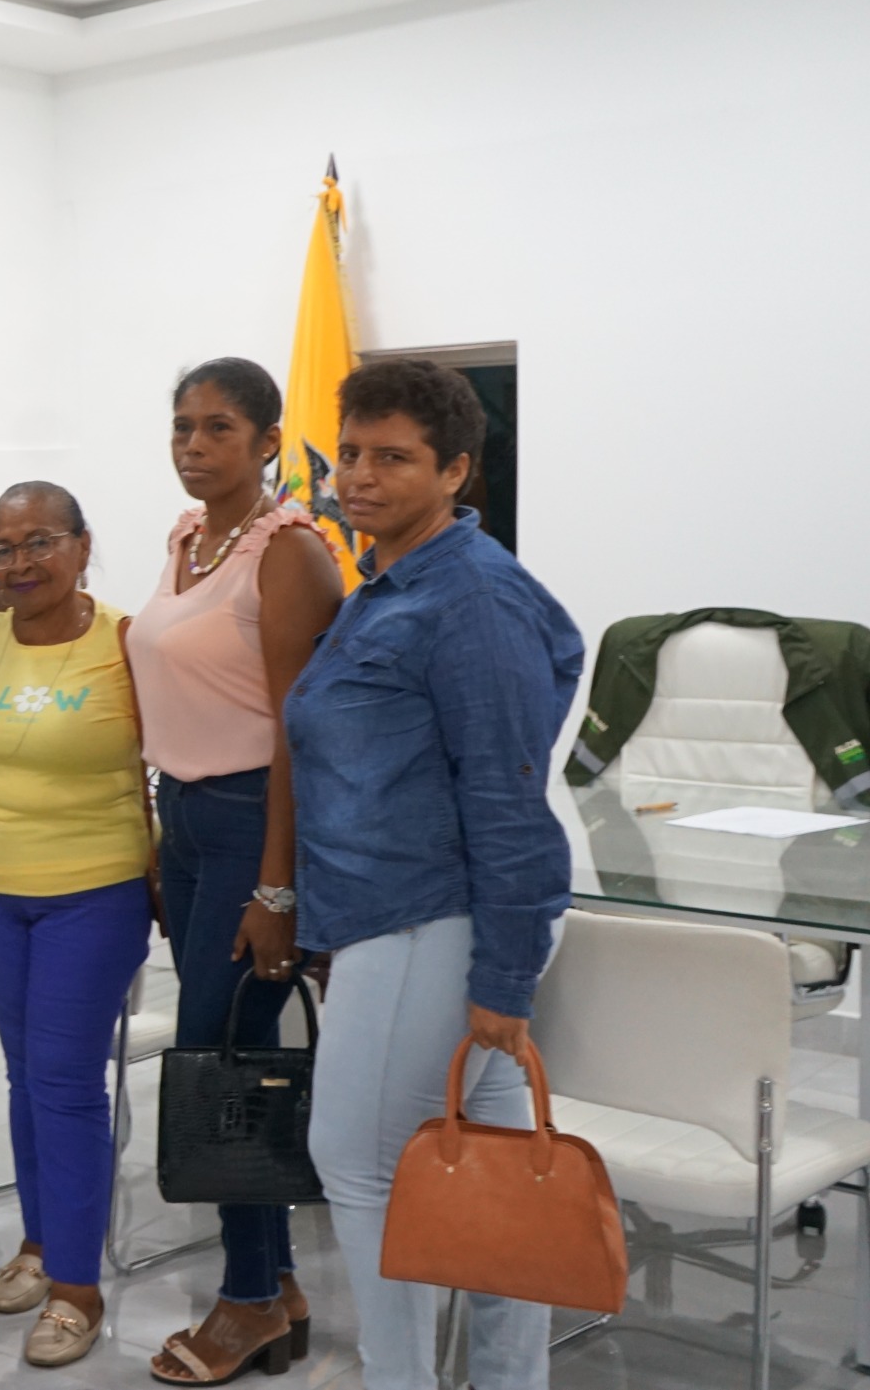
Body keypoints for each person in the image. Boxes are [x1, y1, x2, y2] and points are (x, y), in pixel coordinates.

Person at [289, 358, 581, 1390]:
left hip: (430, 918)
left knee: (360, 1165)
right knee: (495, 1183)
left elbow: (507, 800)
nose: (360, 477)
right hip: (396, 915)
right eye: (350, 454)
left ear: (454, 470)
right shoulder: (389, 581)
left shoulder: (471, 597)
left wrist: (503, 977)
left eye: (394, 458)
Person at [130, 359, 343, 1385]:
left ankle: (248, 1297)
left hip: (255, 819)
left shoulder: (289, 551)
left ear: (266, 442)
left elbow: (304, 735)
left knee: (217, 1063)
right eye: (182, 426)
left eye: (218, 428)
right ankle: (279, 1282)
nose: (193, 445)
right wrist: (160, 832)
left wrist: (277, 887)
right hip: (186, 818)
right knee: (230, 1052)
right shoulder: (186, 538)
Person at [0, 482, 151, 1368]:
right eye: (4, 547)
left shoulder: (125, 641)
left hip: (92, 887)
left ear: (82, 546)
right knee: (25, 1074)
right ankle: (41, 1242)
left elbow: (175, 755)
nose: (20, 562)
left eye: (40, 542)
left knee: (64, 1081)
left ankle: (77, 1289)